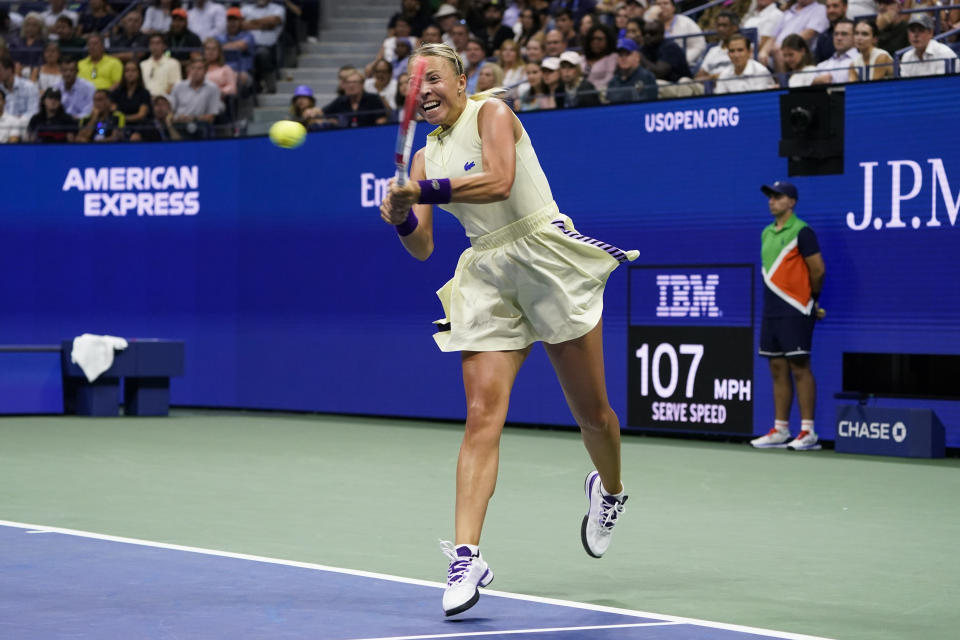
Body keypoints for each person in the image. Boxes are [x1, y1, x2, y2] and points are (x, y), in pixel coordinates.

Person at [380, 42, 633, 618]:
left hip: (544, 256)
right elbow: (422, 248)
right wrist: (399, 218)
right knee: (480, 414)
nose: (426, 93)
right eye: (418, 88)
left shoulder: (493, 112)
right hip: (488, 272)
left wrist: (421, 194)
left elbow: (497, 181)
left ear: (464, 82)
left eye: (436, 80)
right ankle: (467, 557)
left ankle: (610, 491)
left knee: (592, 412)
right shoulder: (422, 159)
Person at [751, 181, 825, 452]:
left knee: (799, 367)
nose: (772, 201)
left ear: (791, 202)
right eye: (770, 197)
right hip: (772, 311)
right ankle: (781, 429)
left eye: (778, 196)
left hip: (797, 309)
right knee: (777, 368)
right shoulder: (766, 233)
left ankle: (808, 431)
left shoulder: (803, 232)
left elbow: (817, 270)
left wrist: (810, 301)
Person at [320, 69, 388, 127]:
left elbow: (381, 121)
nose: (351, 85)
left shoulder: (373, 99)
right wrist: (331, 121)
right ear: (344, 86)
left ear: (362, 84)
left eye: (355, 82)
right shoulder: (340, 101)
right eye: (348, 82)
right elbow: (321, 114)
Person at [606, 36, 658, 103]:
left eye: (627, 54)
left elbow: (649, 105)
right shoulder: (613, 82)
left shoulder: (647, 77)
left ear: (637, 57)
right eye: (620, 55)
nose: (623, 58)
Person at [110, 59, 153, 136]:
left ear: (139, 73)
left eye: (133, 71)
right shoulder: (117, 92)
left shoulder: (144, 93)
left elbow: (141, 115)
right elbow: (114, 111)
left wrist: (123, 118)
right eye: (127, 71)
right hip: (119, 126)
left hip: (140, 127)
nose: (130, 74)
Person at [811, 17, 856, 84]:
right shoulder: (822, 65)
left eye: (844, 34)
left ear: (855, 37)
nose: (839, 38)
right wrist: (816, 81)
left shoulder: (861, 60)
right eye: (836, 34)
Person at [581, 23, 618, 90]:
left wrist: (590, 89)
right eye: (592, 39)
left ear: (608, 40)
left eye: (599, 39)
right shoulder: (582, 58)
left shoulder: (612, 57)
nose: (595, 42)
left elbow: (609, 79)